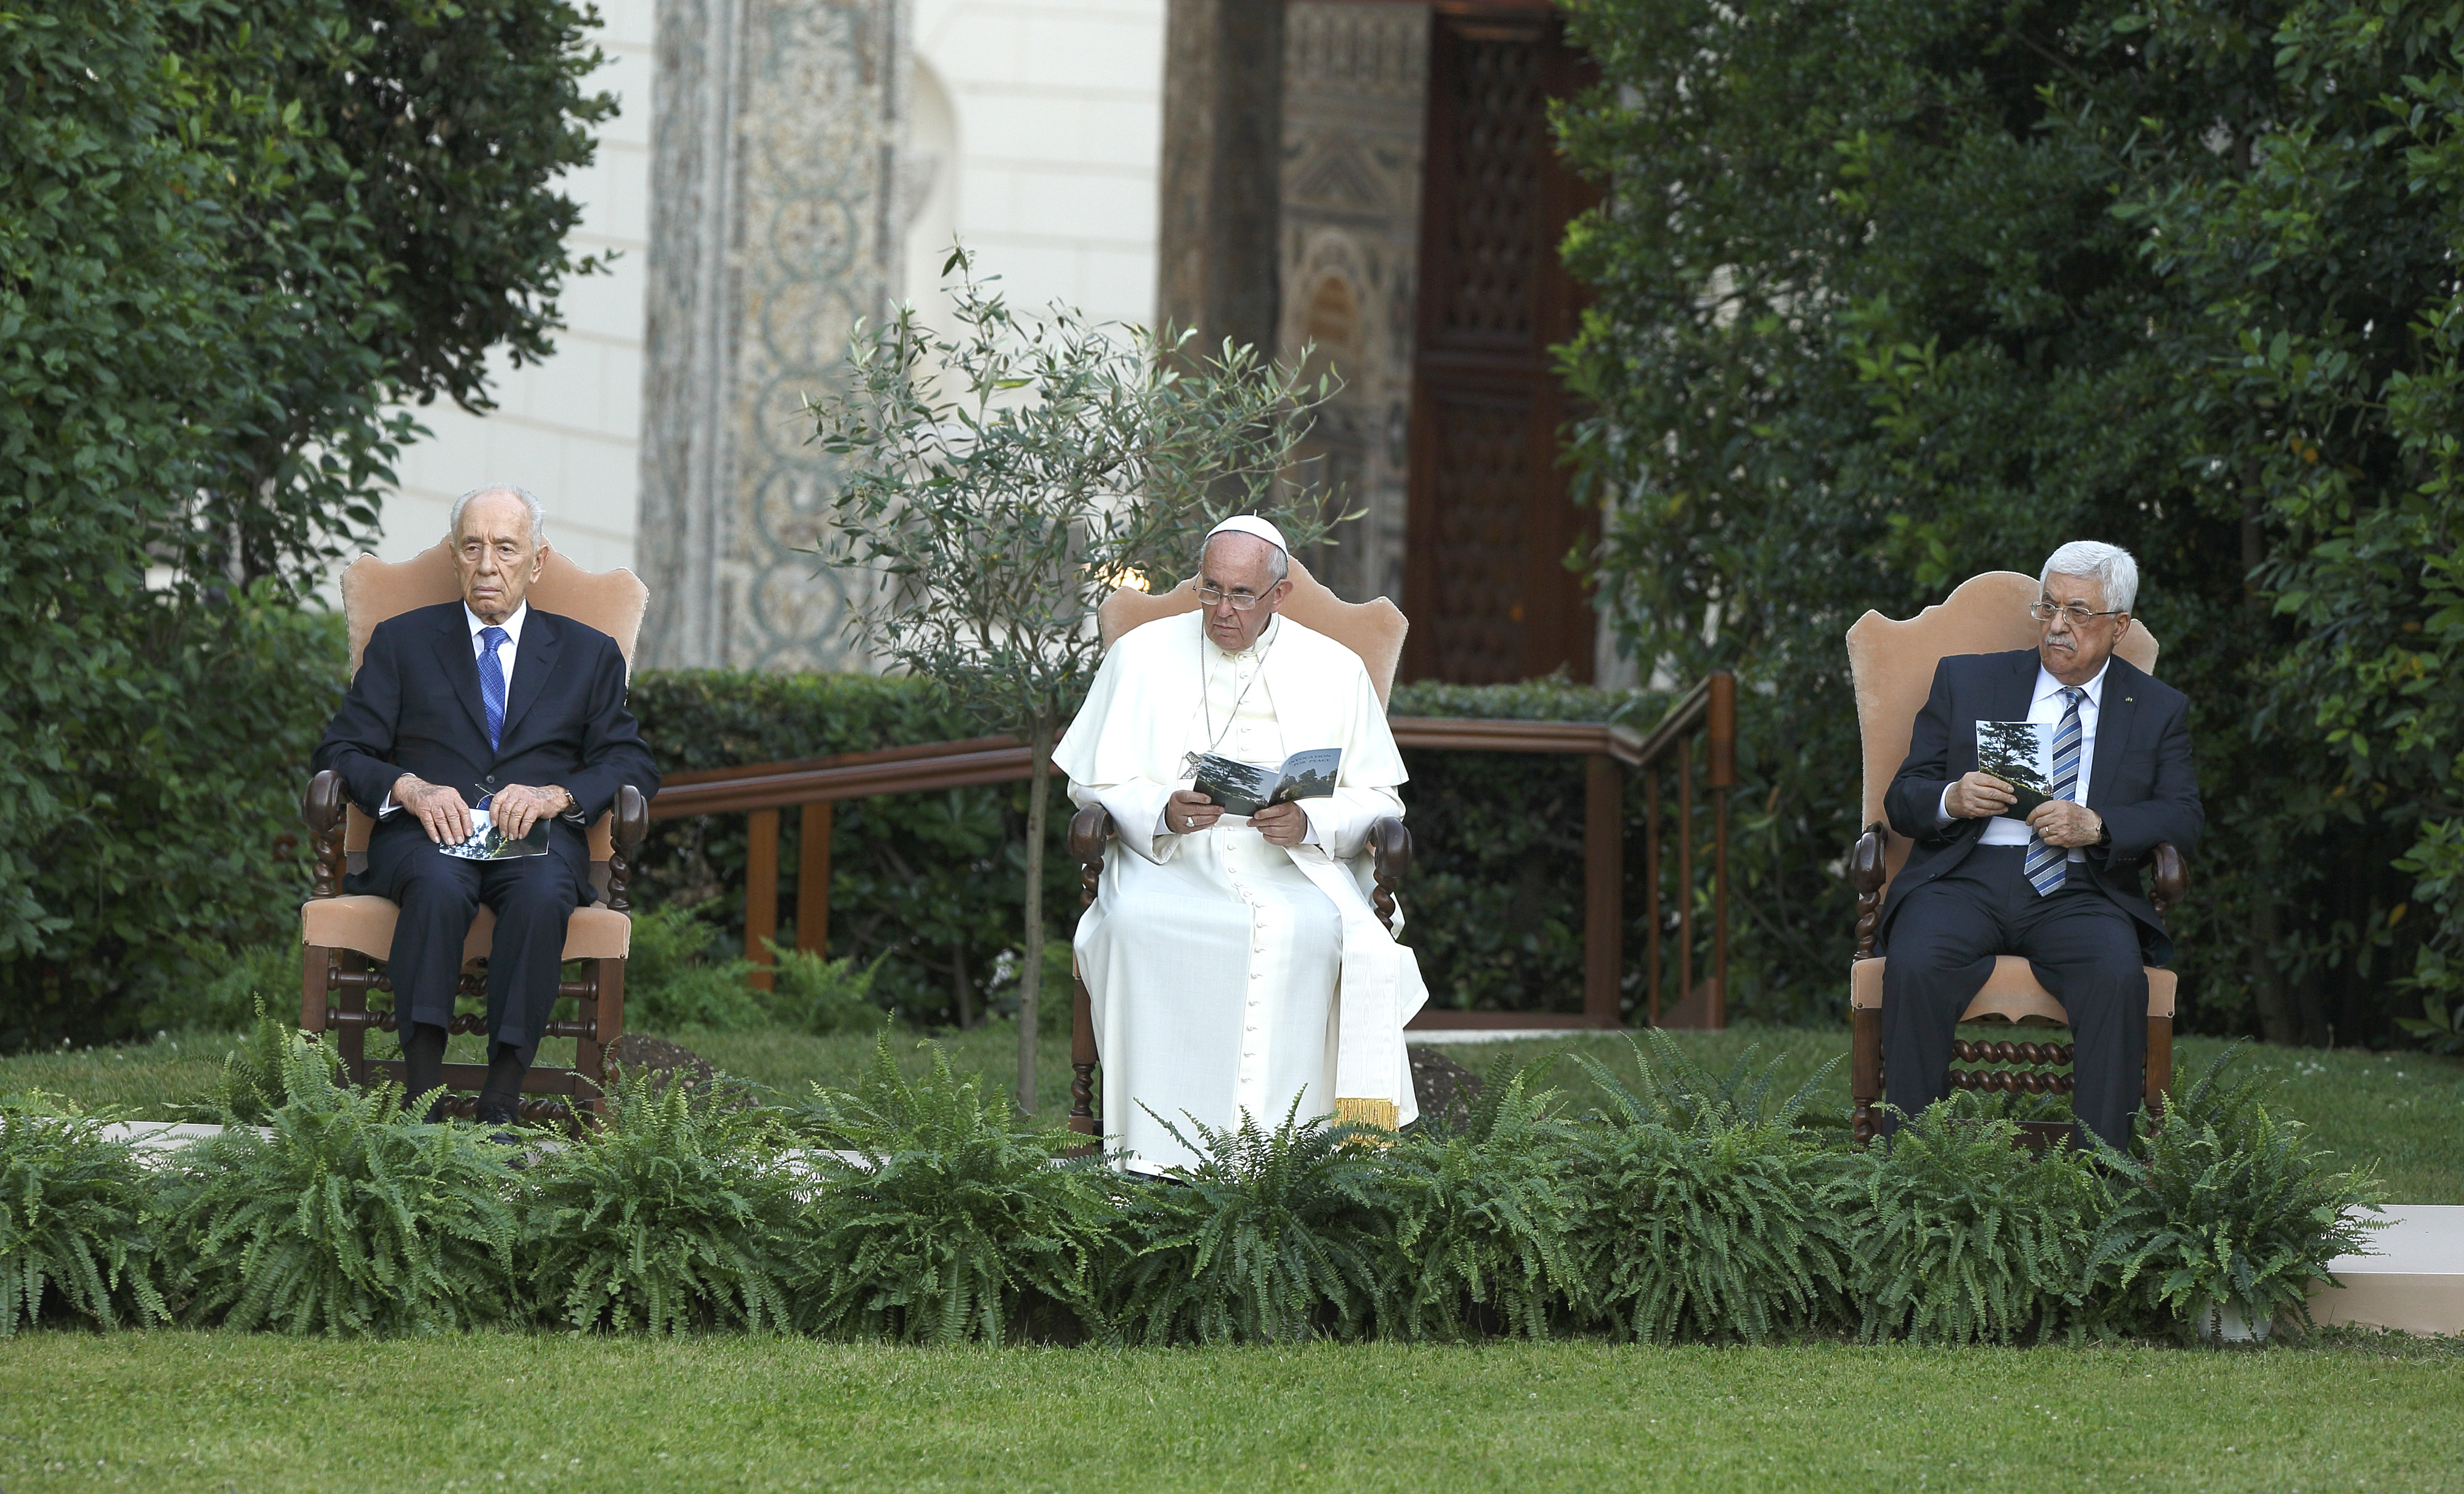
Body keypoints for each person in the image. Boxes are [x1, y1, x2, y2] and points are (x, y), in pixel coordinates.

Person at [1055, 515, 1427, 1170]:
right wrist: (1160, 810)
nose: (1221, 610)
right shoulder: (1139, 655)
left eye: (1241, 595)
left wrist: (1312, 823)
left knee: (1316, 932)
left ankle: (1301, 1156)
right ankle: (1149, 1151)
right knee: (1138, 924)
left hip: (1292, 866)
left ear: (1278, 595)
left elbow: (1381, 801)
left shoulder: (1335, 669)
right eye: (1210, 590)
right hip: (1168, 860)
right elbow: (1093, 786)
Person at [314, 487, 659, 1129]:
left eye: (506, 547)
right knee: (439, 884)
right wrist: (408, 788)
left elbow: (630, 762)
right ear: (454, 556)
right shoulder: (402, 641)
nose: (487, 563)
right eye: (473, 546)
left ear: (536, 561)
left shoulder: (587, 654)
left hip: (533, 835)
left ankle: (502, 1094)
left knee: (539, 890)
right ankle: (423, 1091)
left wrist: (557, 795)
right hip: (423, 834)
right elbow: (342, 749)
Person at [1876, 541, 2203, 1150]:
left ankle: (2099, 1185)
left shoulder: (2156, 708)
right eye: (2048, 606)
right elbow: (1903, 796)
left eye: (2078, 612)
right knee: (1917, 962)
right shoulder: (1966, 679)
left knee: (2115, 976)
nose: (2057, 625)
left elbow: (2183, 817)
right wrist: (1951, 796)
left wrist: (2099, 825)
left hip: (2080, 889)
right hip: (1964, 876)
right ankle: (1912, 1171)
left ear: (2118, 626)